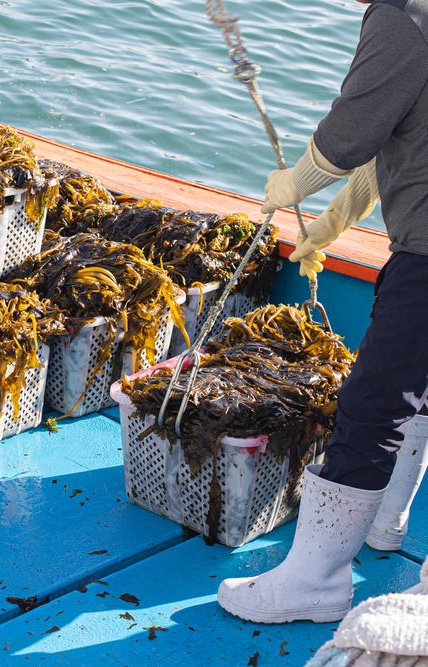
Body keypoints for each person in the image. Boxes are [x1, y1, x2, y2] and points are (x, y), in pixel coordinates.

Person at [217, 0, 428, 624]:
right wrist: (335, 221)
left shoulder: (403, 15)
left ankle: (314, 583)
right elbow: (404, 133)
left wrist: (300, 181)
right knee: (416, 392)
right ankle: (387, 522)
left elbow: (352, 134)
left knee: (372, 405)